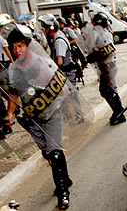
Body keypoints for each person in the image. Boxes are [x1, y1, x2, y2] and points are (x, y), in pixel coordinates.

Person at [4, 26, 72, 209]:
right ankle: (65, 178)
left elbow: (61, 86)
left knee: (55, 152)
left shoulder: (43, 63)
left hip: (51, 114)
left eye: (20, 46)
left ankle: (63, 191)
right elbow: (14, 95)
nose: (17, 50)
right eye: (14, 47)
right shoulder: (14, 70)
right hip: (33, 118)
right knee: (47, 152)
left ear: (28, 46)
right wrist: (9, 113)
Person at [90, 12, 126, 125]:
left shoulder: (105, 34)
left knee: (110, 90)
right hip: (104, 66)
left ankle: (120, 113)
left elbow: (111, 50)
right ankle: (117, 111)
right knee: (105, 91)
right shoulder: (100, 34)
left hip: (108, 66)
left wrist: (97, 55)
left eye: (95, 24)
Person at [38, 14, 77, 87]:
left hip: (67, 73)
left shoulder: (59, 41)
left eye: (46, 28)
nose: (45, 31)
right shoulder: (58, 37)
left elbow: (59, 61)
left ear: (51, 29)